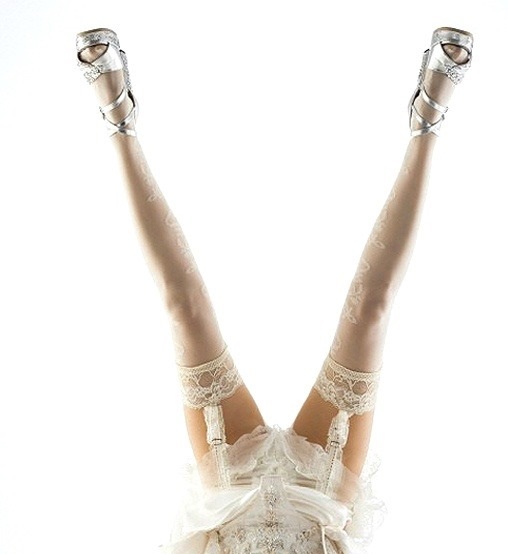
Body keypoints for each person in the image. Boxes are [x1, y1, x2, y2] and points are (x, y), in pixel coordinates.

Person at [75, 25, 473, 554]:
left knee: (184, 309)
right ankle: (427, 121)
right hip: (318, 493)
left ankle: (119, 120)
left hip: (231, 491)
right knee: (371, 311)